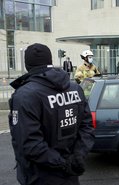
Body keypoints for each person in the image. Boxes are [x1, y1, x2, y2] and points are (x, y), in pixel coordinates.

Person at [8, 43, 95, 185]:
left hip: (40, 175)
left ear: (27, 65)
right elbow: (87, 128)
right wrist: (77, 158)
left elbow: (30, 144)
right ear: (50, 61)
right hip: (70, 173)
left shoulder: (25, 95)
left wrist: (65, 164)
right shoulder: (74, 88)